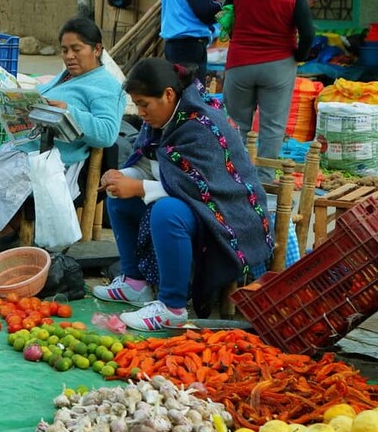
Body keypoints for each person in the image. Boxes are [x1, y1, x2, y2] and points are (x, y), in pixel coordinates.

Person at [94, 59, 273, 330]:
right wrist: (122, 177)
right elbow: (154, 166)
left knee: (167, 212)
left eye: (144, 104)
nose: (140, 112)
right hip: (194, 206)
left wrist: (139, 187)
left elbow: (202, 189)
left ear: (168, 94)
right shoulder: (160, 120)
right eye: (137, 104)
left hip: (227, 217)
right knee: (118, 197)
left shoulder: (202, 125)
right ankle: (135, 283)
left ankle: (172, 307)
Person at [0, 17, 126, 254]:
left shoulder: (106, 86)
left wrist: (68, 111)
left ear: (97, 49)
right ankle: (6, 232)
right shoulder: (66, 75)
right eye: (64, 50)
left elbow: (106, 134)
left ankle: (9, 233)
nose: (69, 56)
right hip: (29, 149)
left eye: (77, 49)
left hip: (57, 163)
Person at [223, 0, 314, 182]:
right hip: (278, 65)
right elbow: (308, 34)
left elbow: (226, 16)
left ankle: (235, 176)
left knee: (237, 124)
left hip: (239, 64)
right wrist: (299, 56)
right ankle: (262, 179)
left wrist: (238, 40)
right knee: (272, 127)